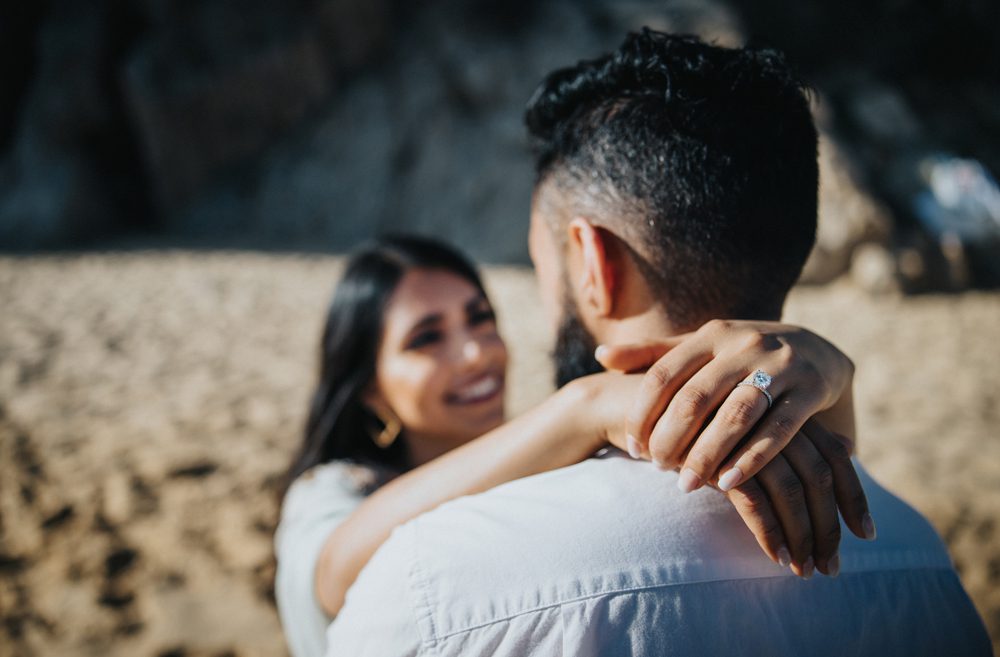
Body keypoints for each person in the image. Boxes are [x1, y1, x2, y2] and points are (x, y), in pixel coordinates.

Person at [325, 31, 991, 656]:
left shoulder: (433, 586)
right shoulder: (920, 554)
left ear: (592, 262)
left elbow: (337, 583)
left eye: (541, 262)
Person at [275, 235, 870, 657]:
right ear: (371, 393)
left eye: (480, 319)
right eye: (427, 339)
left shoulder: (542, 464)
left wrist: (834, 377)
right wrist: (584, 405)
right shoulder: (329, 490)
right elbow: (335, 572)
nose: (477, 351)